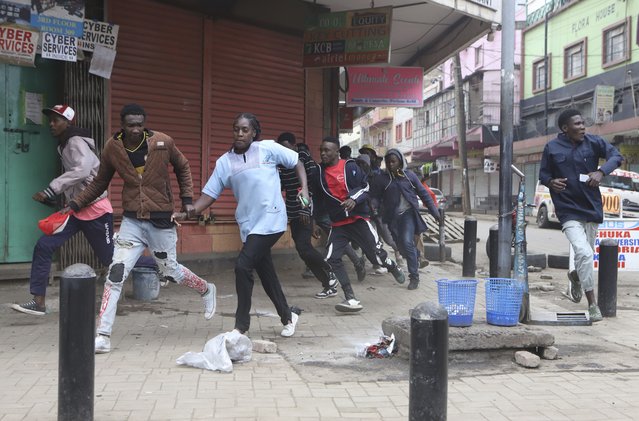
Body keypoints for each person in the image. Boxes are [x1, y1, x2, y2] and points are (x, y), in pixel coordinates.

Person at [68, 103, 216, 353]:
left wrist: (188, 200)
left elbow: (183, 166)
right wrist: (75, 203)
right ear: (122, 125)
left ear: (144, 124)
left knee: (171, 272)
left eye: (139, 124)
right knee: (115, 274)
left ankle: (205, 288)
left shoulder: (163, 142)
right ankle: (103, 335)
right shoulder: (112, 147)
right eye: (130, 125)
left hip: (161, 220)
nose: (135, 129)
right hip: (132, 222)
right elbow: (100, 182)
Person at [188, 113, 308, 337]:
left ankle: (241, 326)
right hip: (249, 225)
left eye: (245, 130)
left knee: (243, 266)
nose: (240, 134)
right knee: (266, 273)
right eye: (236, 129)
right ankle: (288, 316)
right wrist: (190, 210)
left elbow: (297, 162)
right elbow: (209, 194)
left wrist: (305, 190)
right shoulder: (225, 162)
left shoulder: (267, 149)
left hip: (272, 220)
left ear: (254, 132)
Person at [11, 105, 114, 316]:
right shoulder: (65, 144)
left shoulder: (75, 142)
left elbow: (83, 169)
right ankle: (38, 302)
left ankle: (157, 265)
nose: (51, 123)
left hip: (95, 210)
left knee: (111, 259)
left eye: (56, 120)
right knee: (44, 245)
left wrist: (52, 189)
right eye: (50, 120)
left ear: (68, 122)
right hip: (76, 209)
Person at [539, 108, 623, 322]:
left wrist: (601, 171)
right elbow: (544, 173)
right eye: (577, 124)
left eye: (583, 123)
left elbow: (616, 155)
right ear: (565, 128)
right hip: (567, 210)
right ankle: (593, 304)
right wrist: (550, 182)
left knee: (585, 256)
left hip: (591, 209)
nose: (582, 127)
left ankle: (576, 275)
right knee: (584, 254)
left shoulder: (594, 142)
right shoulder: (552, 147)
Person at [313, 136, 405, 313]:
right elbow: (317, 199)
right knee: (331, 258)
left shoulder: (350, 167)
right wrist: (314, 221)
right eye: (321, 150)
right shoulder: (318, 172)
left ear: (336, 152)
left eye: (327, 150)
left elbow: (365, 187)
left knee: (377, 258)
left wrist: (353, 199)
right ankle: (351, 298)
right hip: (339, 223)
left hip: (358, 220)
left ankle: (391, 265)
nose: (323, 153)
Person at [276, 132, 339, 299]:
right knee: (302, 250)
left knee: (304, 247)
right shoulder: (282, 164)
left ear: (294, 147)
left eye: (287, 148)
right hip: (293, 211)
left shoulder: (303, 159)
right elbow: (284, 187)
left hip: (305, 210)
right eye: (282, 149)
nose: (285, 152)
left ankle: (331, 270)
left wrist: (306, 208)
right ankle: (328, 284)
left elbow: (312, 186)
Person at [370, 149, 440, 290]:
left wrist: (435, 213)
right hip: (392, 218)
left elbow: (424, 194)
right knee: (401, 248)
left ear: (400, 161)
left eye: (393, 161)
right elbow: (375, 196)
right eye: (388, 162)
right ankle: (416, 254)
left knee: (407, 242)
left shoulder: (409, 176)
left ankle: (414, 277)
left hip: (408, 214)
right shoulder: (382, 178)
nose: (390, 165)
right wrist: (374, 206)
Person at [358, 144, 403, 270]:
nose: (366, 156)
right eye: (364, 153)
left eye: (368, 153)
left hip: (381, 212)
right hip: (366, 212)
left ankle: (399, 254)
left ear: (372, 156)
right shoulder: (358, 173)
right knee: (371, 239)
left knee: (388, 238)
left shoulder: (380, 174)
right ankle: (376, 263)